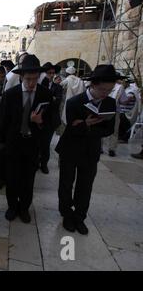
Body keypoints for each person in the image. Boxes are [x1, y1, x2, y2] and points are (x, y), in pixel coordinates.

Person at [56, 65, 118, 235]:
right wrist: (87, 124)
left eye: (109, 90)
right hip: (70, 149)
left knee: (86, 185)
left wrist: (85, 126)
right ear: (93, 85)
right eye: (102, 89)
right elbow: (71, 127)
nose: (105, 93)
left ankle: (79, 217)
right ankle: (67, 215)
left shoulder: (110, 103)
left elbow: (109, 129)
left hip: (91, 151)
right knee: (66, 183)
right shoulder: (74, 102)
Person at [0, 55, 54, 223]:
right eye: (28, 79)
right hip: (14, 143)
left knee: (28, 179)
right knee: (12, 178)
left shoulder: (46, 94)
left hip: (33, 144)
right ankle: (12, 207)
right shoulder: (10, 94)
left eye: (35, 79)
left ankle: (24, 208)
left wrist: (40, 121)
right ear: (21, 77)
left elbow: (52, 121)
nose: (31, 83)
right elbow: (4, 120)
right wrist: (2, 142)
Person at [39, 62, 63, 174]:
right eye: (49, 73)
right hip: (38, 119)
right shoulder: (39, 85)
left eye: (53, 73)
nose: (51, 75)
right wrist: (50, 98)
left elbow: (56, 102)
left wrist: (49, 99)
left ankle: (44, 164)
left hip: (50, 121)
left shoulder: (58, 87)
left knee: (46, 143)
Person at [105, 79, 126, 157]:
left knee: (100, 127)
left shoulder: (103, 84)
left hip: (102, 109)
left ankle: (99, 148)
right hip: (115, 111)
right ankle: (111, 149)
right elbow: (123, 100)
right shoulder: (120, 87)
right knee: (114, 131)